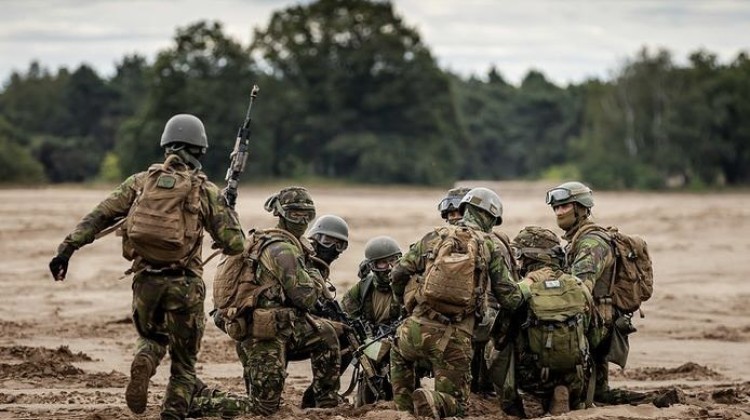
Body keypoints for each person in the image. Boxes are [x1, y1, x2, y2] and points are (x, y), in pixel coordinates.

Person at [48, 114, 245, 420]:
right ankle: (172, 415)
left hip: (146, 282)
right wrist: (228, 212)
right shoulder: (205, 190)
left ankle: (145, 357)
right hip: (186, 285)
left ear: (167, 144)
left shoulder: (140, 182)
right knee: (184, 365)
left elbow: (99, 216)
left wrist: (66, 250)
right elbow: (235, 244)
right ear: (200, 150)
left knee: (153, 337)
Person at [389, 187, 537, 419]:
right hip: (453, 339)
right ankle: (434, 401)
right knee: (456, 407)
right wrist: (528, 285)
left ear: (465, 208)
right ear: (490, 217)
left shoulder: (433, 236)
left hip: (412, 331)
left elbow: (397, 273)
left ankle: (403, 411)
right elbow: (510, 298)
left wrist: (406, 305)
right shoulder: (490, 245)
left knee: (400, 356)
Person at [234, 186, 341, 414]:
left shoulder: (286, 241)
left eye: (307, 215)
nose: (301, 220)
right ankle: (199, 399)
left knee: (327, 334)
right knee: (263, 407)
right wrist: (315, 274)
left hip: (281, 326)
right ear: (281, 213)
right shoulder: (283, 249)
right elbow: (306, 298)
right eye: (295, 214)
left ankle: (326, 402)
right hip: (262, 334)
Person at [545, 181, 643, 405]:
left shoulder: (591, 242)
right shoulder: (578, 239)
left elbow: (578, 290)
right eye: (556, 208)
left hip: (597, 323)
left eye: (565, 207)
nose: (559, 212)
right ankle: (655, 400)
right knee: (600, 391)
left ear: (580, 208)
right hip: (597, 317)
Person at [493, 226, 595, 416]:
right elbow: (593, 333)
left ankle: (520, 403)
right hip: (576, 375)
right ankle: (571, 396)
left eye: (520, 255)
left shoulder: (525, 290)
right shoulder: (578, 286)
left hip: (533, 379)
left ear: (530, 258)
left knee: (497, 351)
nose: (518, 261)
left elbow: (500, 337)